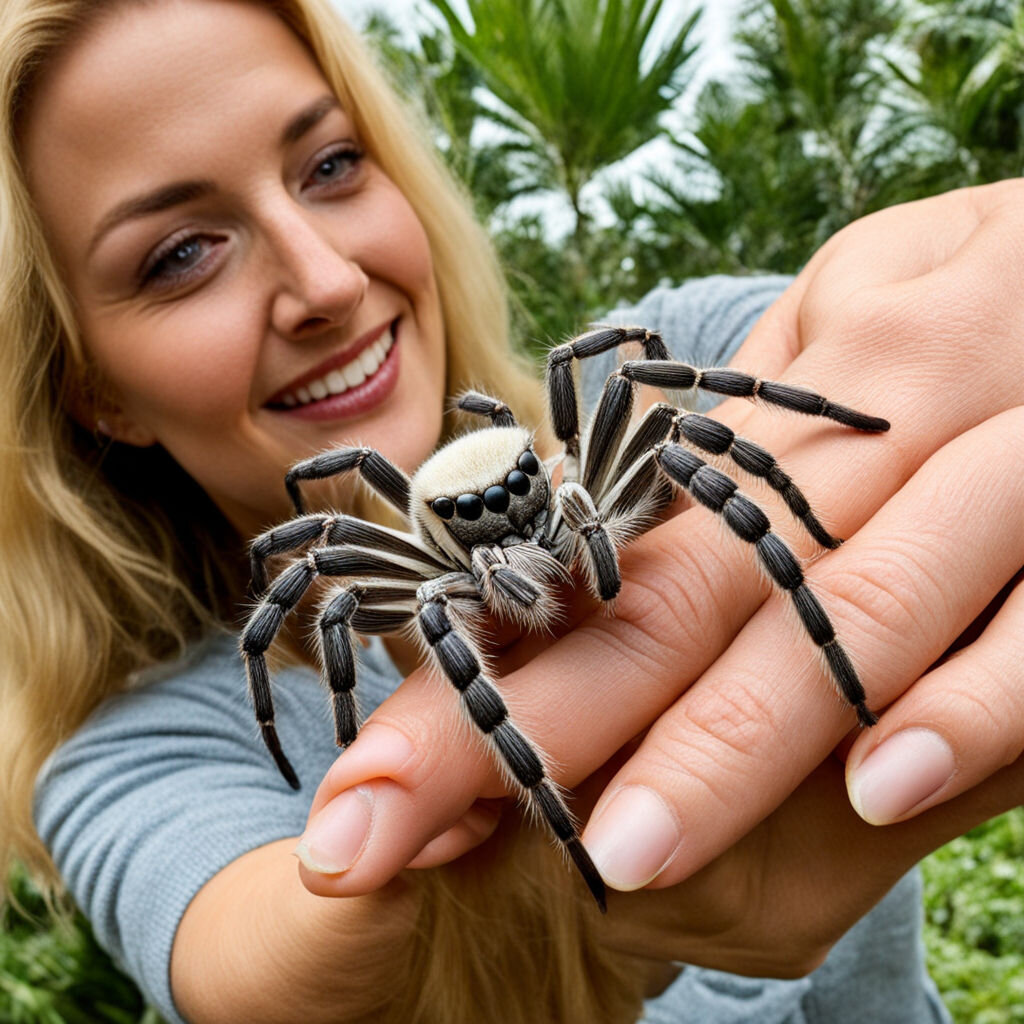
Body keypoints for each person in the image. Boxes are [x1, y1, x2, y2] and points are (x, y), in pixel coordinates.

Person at [0, 0, 1021, 1022]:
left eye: (331, 164)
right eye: (178, 254)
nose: (326, 282)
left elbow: (860, 350)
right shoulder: (138, 747)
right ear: (96, 391)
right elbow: (255, 965)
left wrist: (952, 318)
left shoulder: (663, 374)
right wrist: (389, 817)